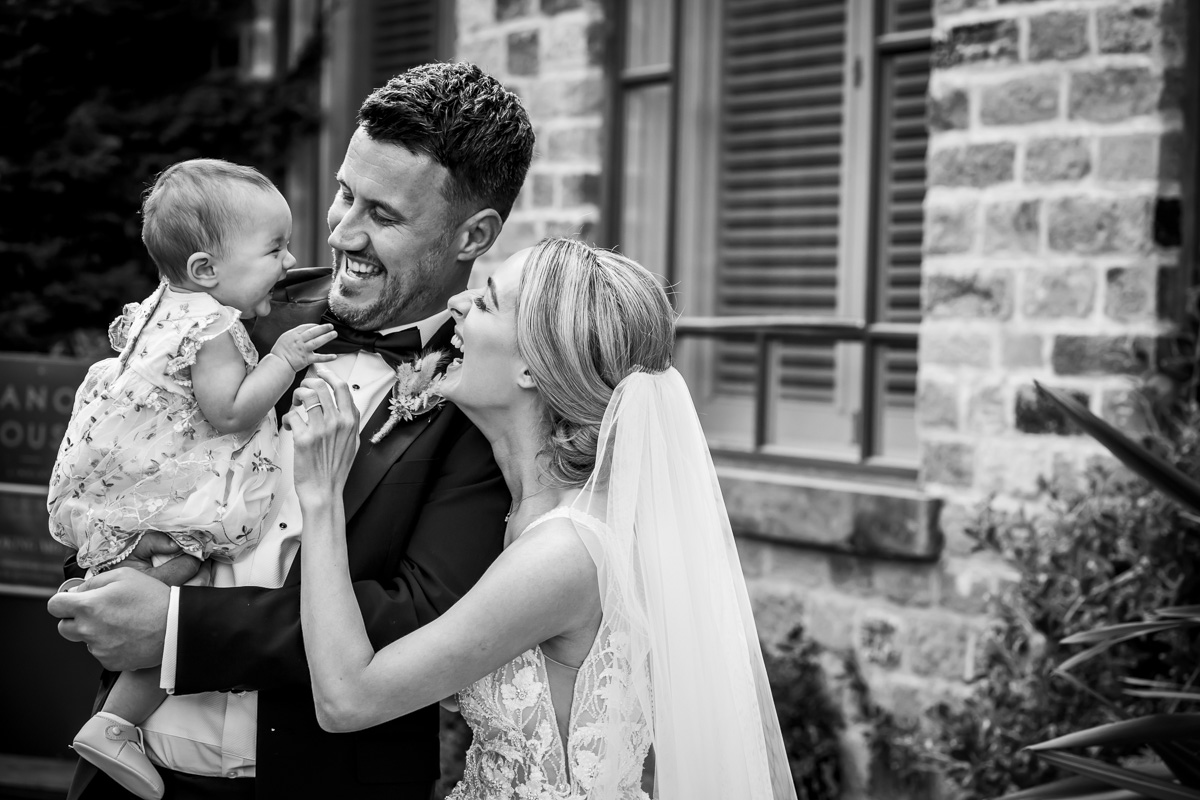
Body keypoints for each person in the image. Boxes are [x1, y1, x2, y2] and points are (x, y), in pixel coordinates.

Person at [47, 61, 534, 800]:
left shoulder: (489, 390)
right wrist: (109, 566)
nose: (342, 231)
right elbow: (120, 441)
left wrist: (178, 628)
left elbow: (418, 616)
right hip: (119, 772)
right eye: (345, 194)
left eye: (385, 215)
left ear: (475, 234)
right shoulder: (241, 300)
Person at [289, 238, 798, 799]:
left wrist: (321, 497)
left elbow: (346, 699)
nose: (457, 304)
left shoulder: (562, 554)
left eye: (484, 304)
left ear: (532, 368)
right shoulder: (525, 513)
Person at [47, 158, 337, 800]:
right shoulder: (214, 328)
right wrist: (284, 360)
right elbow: (229, 411)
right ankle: (117, 721)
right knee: (182, 584)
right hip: (175, 495)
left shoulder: (152, 312)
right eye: (274, 249)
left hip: (130, 493)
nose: (290, 262)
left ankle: (116, 715)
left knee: (162, 586)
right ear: (207, 270)